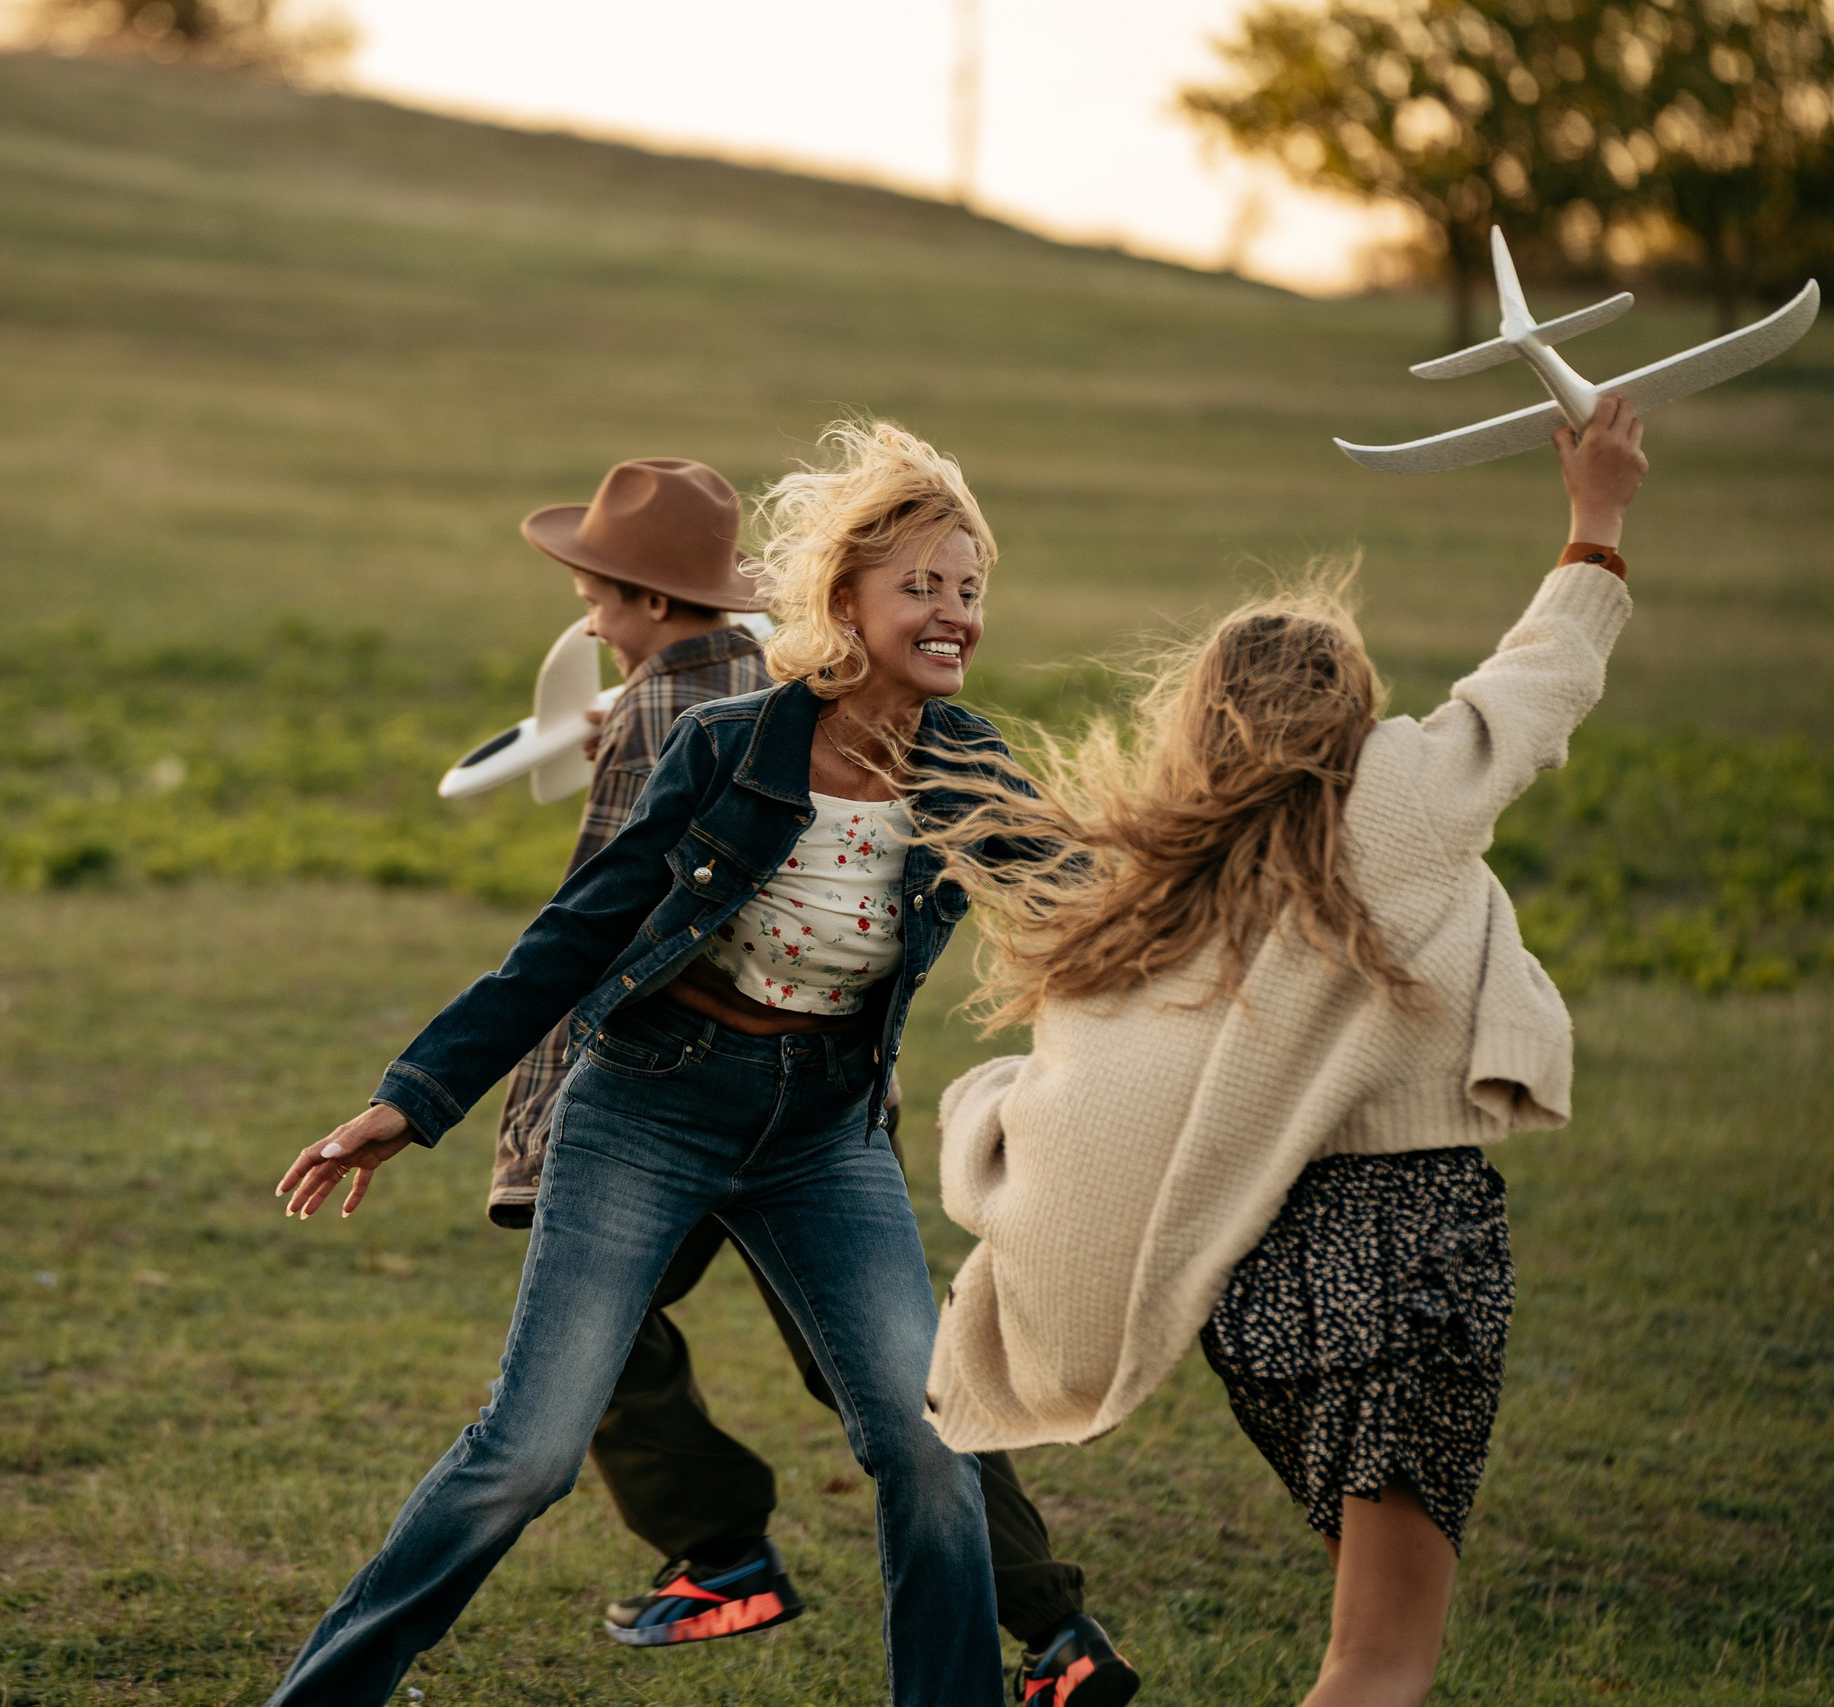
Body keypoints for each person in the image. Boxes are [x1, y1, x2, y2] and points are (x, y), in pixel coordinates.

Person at [271, 421, 1020, 1707]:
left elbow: (1112, 916)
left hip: (823, 1134)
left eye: (969, 590)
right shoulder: (732, 741)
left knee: (931, 1444)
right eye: (922, 586)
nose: (952, 612)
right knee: (531, 1451)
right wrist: (416, 1097)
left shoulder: (973, 770)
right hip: (650, 1105)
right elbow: (578, 932)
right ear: (844, 601)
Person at [922, 397, 1649, 1707]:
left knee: (1371, 1625)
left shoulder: (1157, 887)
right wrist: (1596, 515)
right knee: (1375, 1663)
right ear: (1358, 709)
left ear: (1198, 720)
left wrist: (983, 1128)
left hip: (1258, 1294)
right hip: (1410, 1247)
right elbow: (1541, 680)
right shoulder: (1408, 795)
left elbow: (1089, 1086)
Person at [484, 458, 1135, 1703]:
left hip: (678, 1097)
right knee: (903, 1392)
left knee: (594, 1340)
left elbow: (600, 934)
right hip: (828, 1102)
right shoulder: (770, 681)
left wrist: (532, 1138)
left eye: (600, 601)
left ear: (649, 603)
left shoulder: (673, 721)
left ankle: (723, 1552)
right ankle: (1054, 1635)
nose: (590, 622)